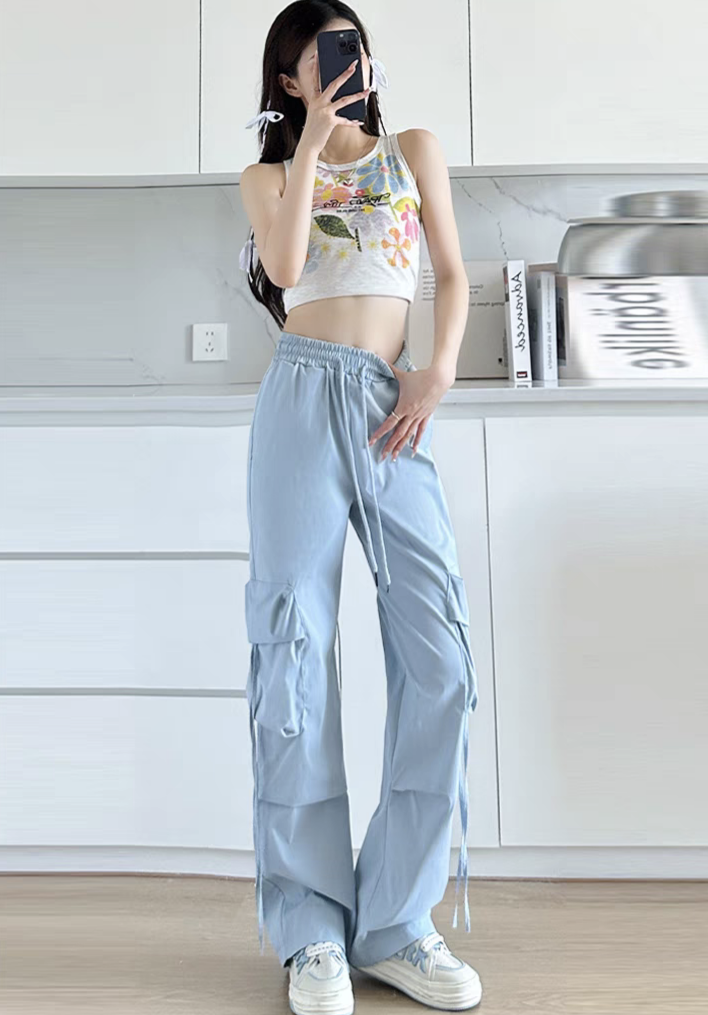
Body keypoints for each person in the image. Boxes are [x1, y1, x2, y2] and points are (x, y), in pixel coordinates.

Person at [239, 3, 481, 1012]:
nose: (347, 63)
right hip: (299, 396)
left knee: (440, 656)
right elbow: (288, 270)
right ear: (289, 78)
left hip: (392, 405)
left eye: (355, 46)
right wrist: (308, 145)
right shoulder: (266, 176)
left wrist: (438, 371)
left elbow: (453, 274)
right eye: (321, 54)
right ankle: (310, 931)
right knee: (293, 650)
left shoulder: (413, 149)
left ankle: (394, 920)